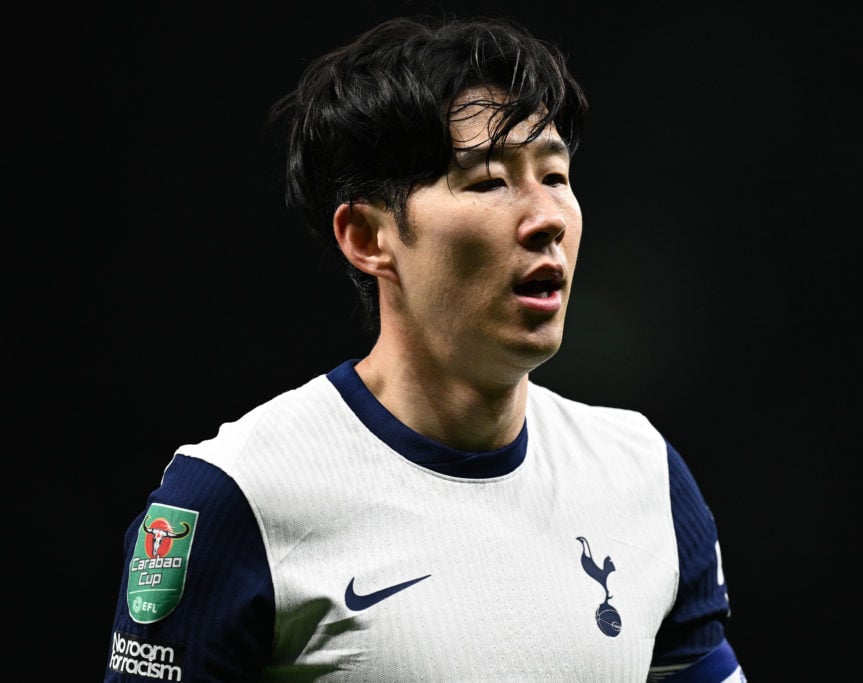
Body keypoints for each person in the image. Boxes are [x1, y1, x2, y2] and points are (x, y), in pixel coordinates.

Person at [104, 13, 747, 682]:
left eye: (555, 176)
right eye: (489, 181)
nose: (547, 218)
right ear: (367, 236)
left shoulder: (643, 475)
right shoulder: (236, 498)